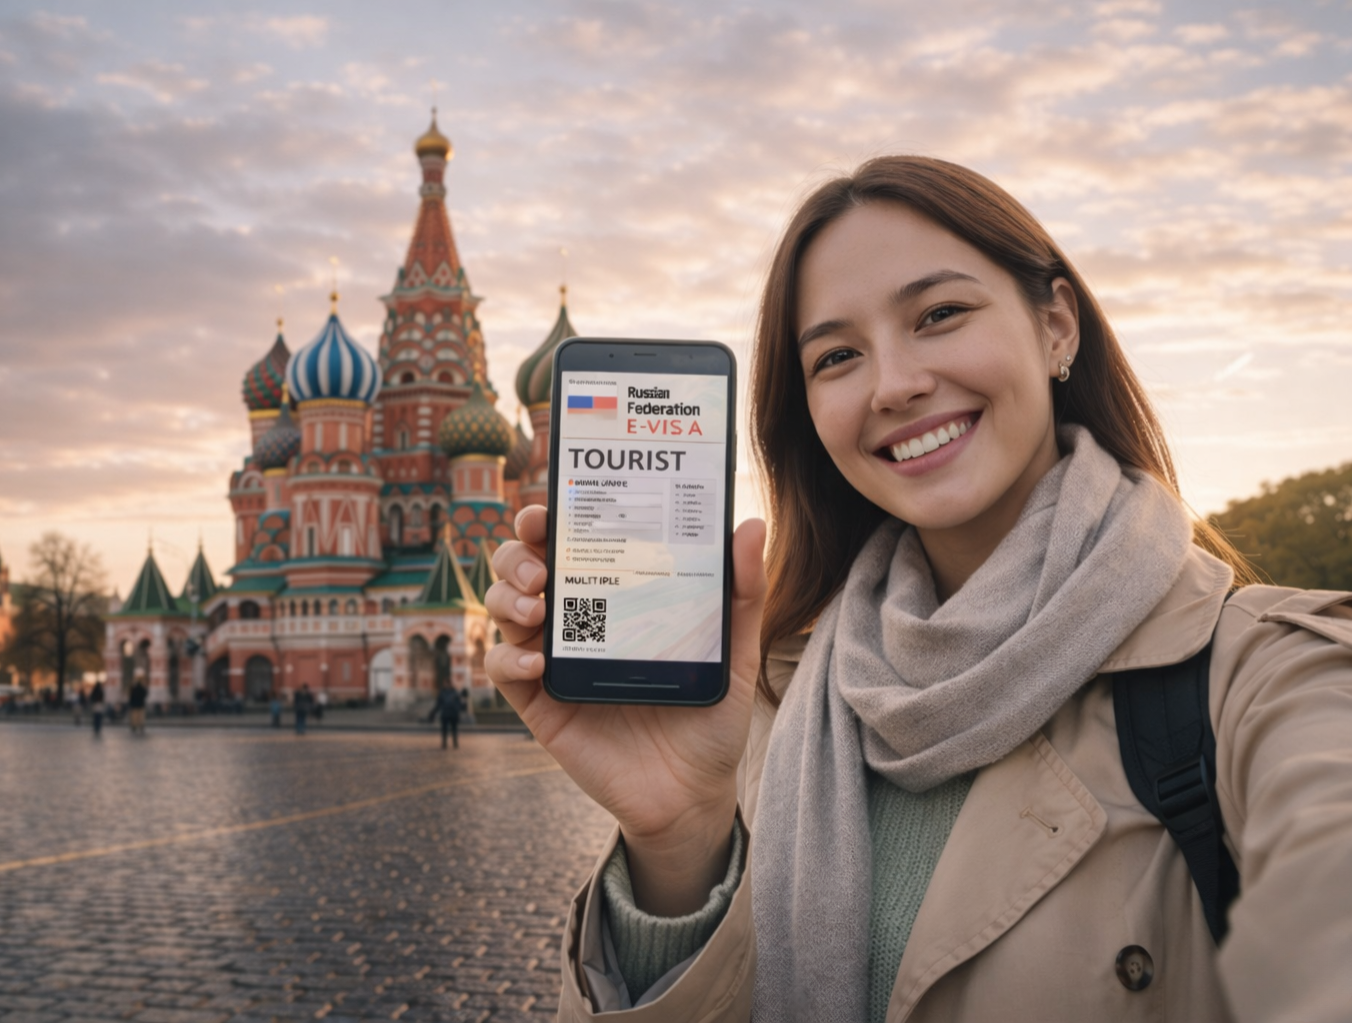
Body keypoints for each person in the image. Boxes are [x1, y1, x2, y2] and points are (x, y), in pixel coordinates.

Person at [484, 156, 1352, 1020]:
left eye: (939, 314)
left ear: (1056, 325)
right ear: (808, 417)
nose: (894, 384)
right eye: (837, 357)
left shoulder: (1256, 678)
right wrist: (675, 840)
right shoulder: (779, 706)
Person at [428, 683, 466, 750]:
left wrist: (433, 712)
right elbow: (461, 705)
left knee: (446, 729)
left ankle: (446, 743)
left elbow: (438, 705)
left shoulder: (443, 693)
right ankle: (454, 743)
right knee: (453, 729)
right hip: (453, 714)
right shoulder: (456, 693)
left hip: (446, 714)